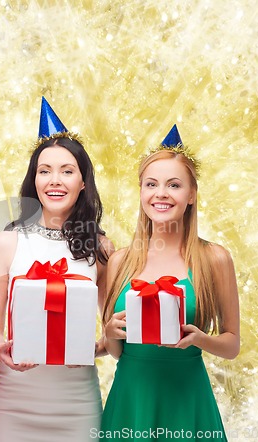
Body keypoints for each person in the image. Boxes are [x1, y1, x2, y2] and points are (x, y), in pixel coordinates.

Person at [0, 97, 114, 442]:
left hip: (77, 402)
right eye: (45, 171)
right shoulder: (6, 242)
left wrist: (96, 348)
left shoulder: (100, 247)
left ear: (84, 182)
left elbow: (112, 330)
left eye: (67, 171)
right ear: (34, 180)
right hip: (13, 401)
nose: (54, 180)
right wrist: (1, 350)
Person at [100, 125, 240, 441]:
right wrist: (109, 333)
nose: (160, 193)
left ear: (191, 195)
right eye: (151, 184)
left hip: (187, 397)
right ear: (141, 192)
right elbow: (117, 352)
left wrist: (199, 338)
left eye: (173, 185)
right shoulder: (121, 261)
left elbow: (232, 345)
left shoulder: (214, 258)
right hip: (132, 398)